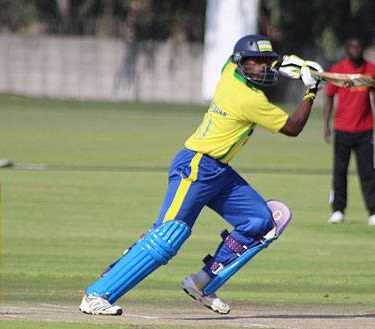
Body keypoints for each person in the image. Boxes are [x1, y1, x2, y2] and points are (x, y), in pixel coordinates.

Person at [79, 34, 323, 316]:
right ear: (241, 63)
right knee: (168, 237)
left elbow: (239, 63)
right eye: (255, 62)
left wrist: (281, 64)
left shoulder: (228, 72)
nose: (261, 68)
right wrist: (310, 90)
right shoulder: (249, 98)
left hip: (219, 172)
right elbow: (293, 127)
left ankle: (202, 283)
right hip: (195, 166)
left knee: (260, 221)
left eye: (266, 63)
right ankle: (97, 294)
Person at [324, 37, 375, 225]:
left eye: (358, 46)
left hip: (365, 129)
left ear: (362, 49)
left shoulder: (371, 69)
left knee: (368, 172)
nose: (355, 50)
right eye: (352, 47)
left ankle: (373, 211)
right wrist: (326, 125)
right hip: (342, 128)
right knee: (339, 171)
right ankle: (338, 210)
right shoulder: (338, 69)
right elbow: (329, 97)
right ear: (347, 50)